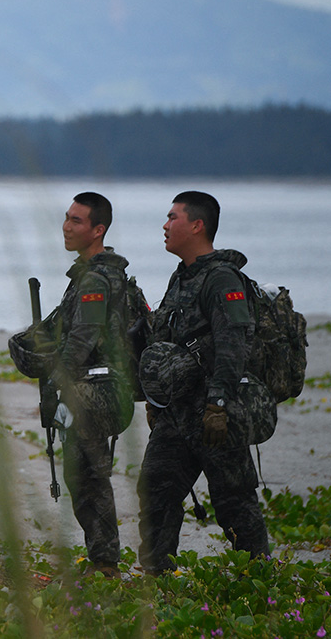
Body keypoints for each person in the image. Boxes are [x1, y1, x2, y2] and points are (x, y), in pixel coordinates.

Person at [137, 191, 269, 574]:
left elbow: (234, 343)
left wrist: (219, 406)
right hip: (178, 413)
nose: (165, 225)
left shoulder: (222, 278)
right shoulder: (182, 277)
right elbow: (170, 341)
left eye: (172, 217)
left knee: (234, 500)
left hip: (215, 414)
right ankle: (158, 576)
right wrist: (156, 401)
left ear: (196, 225)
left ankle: (259, 578)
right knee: (156, 490)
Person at [9, 192, 136, 578]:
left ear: (98, 230)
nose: (66, 226)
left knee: (88, 477)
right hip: (94, 390)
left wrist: (60, 383)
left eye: (76, 221)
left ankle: (105, 563)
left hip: (94, 392)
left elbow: (81, 341)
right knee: (83, 474)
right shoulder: (90, 274)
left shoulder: (95, 278)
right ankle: (102, 560)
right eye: (66, 218)